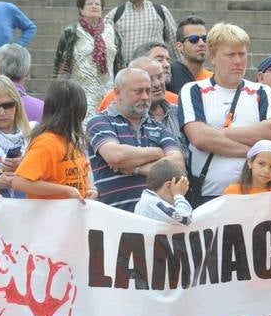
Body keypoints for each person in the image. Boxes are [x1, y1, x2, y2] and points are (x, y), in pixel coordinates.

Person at [180, 23, 271, 202]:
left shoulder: (263, 91)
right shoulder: (193, 90)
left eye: (242, 54)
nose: (238, 61)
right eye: (230, 55)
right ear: (213, 57)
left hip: (254, 194)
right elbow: (200, 138)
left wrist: (221, 134)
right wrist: (252, 153)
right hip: (206, 194)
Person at [87, 66, 185, 211]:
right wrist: (157, 153)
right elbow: (116, 156)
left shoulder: (158, 126)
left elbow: (177, 166)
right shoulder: (100, 122)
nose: (145, 97)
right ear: (117, 92)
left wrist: (136, 168)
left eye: (147, 90)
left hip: (157, 221)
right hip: (116, 219)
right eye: (138, 91)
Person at [12, 79, 100, 202]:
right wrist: (64, 190)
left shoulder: (70, 141)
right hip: (50, 218)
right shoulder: (46, 142)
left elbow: (79, 176)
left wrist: (90, 189)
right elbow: (19, 182)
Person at [53, 0, 124, 115]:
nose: (94, 6)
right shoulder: (72, 32)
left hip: (107, 94)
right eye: (90, 3)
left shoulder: (112, 33)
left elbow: (120, 66)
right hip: (79, 95)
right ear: (81, 9)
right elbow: (60, 65)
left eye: (97, 4)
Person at [108, 0, 176, 51]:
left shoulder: (161, 11)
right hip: (127, 63)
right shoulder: (115, 14)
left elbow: (173, 41)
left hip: (154, 63)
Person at [135, 157, 193, 224]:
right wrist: (179, 196)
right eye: (180, 191)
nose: (176, 202)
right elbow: (185, 219)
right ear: (168, 186)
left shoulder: (149, 202)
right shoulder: (152, 203)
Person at [169, 16, 210, 91]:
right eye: (194, 39)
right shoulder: (169, 77)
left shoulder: (213, 79)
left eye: (204, 39)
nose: (201, 43)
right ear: (179, 46)